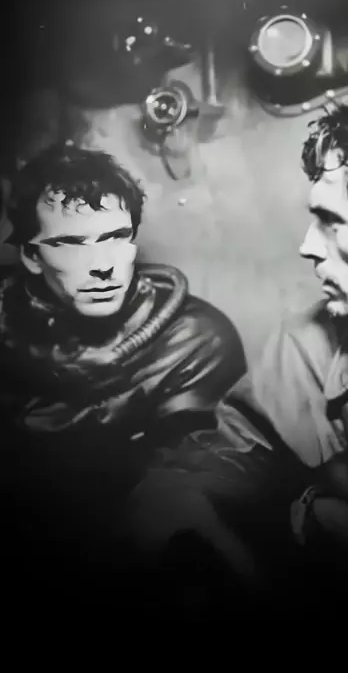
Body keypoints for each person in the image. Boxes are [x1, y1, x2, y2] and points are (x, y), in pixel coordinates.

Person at [127, 90, 348, 614]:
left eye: (332, 221)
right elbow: (230, 452)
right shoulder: (309, 342)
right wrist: (178, 495)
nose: (308, 246)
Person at [0, 142, 246, 598]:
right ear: (31, 257)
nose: (102, 266)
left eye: (116, 237)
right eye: (70, 243)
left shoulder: (195, 339)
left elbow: (189, 500)